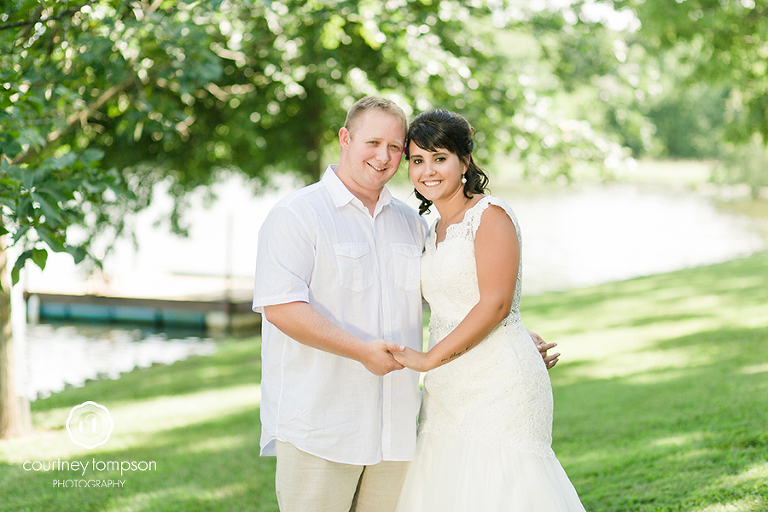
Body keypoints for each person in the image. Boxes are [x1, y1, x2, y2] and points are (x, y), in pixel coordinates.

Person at [252, 97, 559, 512]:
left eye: (396, 148)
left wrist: (511, 342)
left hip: (395, 429)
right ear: (345, 139)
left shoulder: (411, 223)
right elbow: (282, 309)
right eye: (373, 143)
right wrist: (362, 351)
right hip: (322, 423)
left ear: (464, 161)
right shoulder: (297, 214)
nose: (384, 157)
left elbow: (467, 294)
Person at [393, 109, 586, 511]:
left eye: (439, 158)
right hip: (449, 389)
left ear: (465, 161)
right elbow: (456, 299)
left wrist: (428, 359)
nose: (427, 170)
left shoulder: (490, 215)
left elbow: (496, 304)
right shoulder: (432, 231)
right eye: (417, 160)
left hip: (498, 386)